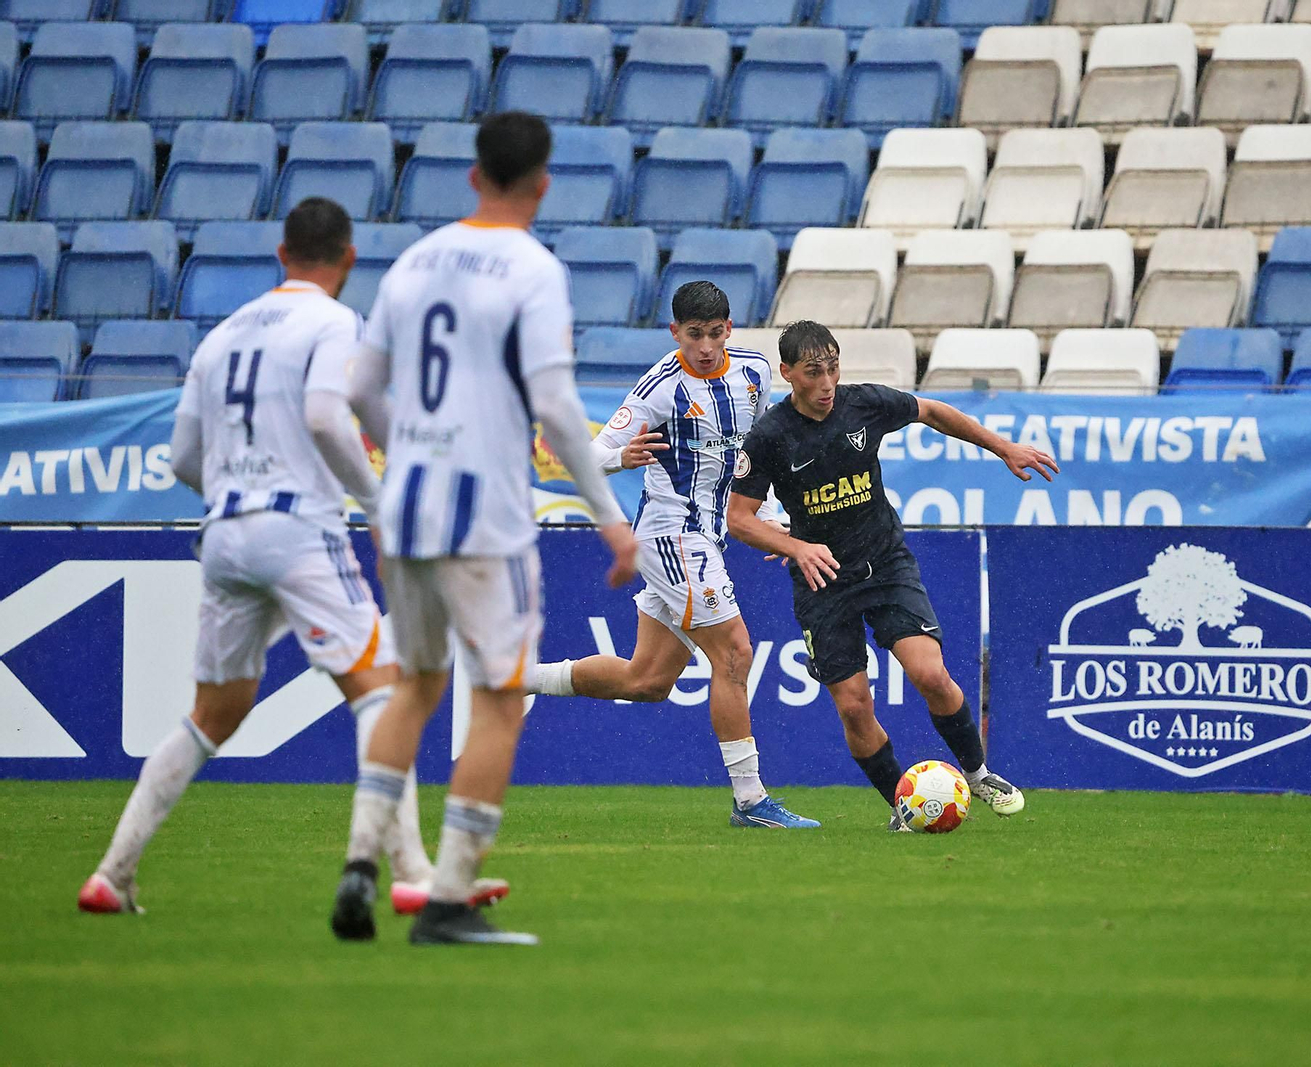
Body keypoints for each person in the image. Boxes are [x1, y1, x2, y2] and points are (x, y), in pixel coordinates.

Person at [76, 198, 504, 915]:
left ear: (282, 254)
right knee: (383, 691)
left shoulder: (221, 337)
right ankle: (411, 872)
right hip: (298, 527)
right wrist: (377, 504)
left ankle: (111, 873)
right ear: (348, 258)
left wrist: (235, 494)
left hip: (225, 531)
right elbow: (325, 416)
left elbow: (181, 456)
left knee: (212, 714)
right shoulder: (333, 322)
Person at [330, 112, 636, 947]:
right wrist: (610, 518)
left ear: (473, 176)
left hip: (406, 504)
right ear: (543, 183)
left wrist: (409, 458)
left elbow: (359, 390)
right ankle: (447, 899)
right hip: (485, 514)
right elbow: (555, 404)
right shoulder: (534, 269)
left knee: (415, 685)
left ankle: (361, 861)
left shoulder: (416, 260)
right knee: (499, 699)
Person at [727, 320, 1059, 830]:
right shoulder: (770, 436)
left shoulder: (864, 404)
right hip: (822, 583)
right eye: (813, 372)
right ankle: (902, 809)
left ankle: (978, 773)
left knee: (930, 675)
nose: (827, 383)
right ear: (787, 373)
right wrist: (795, 546)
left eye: (833, 368)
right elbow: (739, 518)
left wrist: (1003, 448)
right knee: (855, 707)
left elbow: (933, 411)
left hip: (885, 564)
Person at [527, 281, 818, 829]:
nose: (704, 347)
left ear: (729, 329)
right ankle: (751, 801)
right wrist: (620, 459)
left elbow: (755, 456)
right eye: (693, 335)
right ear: (674, 332)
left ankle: (518, 678)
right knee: (734, 653)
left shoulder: (753, 373)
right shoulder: (660, 388)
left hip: (709, 536)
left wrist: (769, 515)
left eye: (714, 334)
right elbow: (585, 455)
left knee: (646, 680)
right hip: (671, 535)